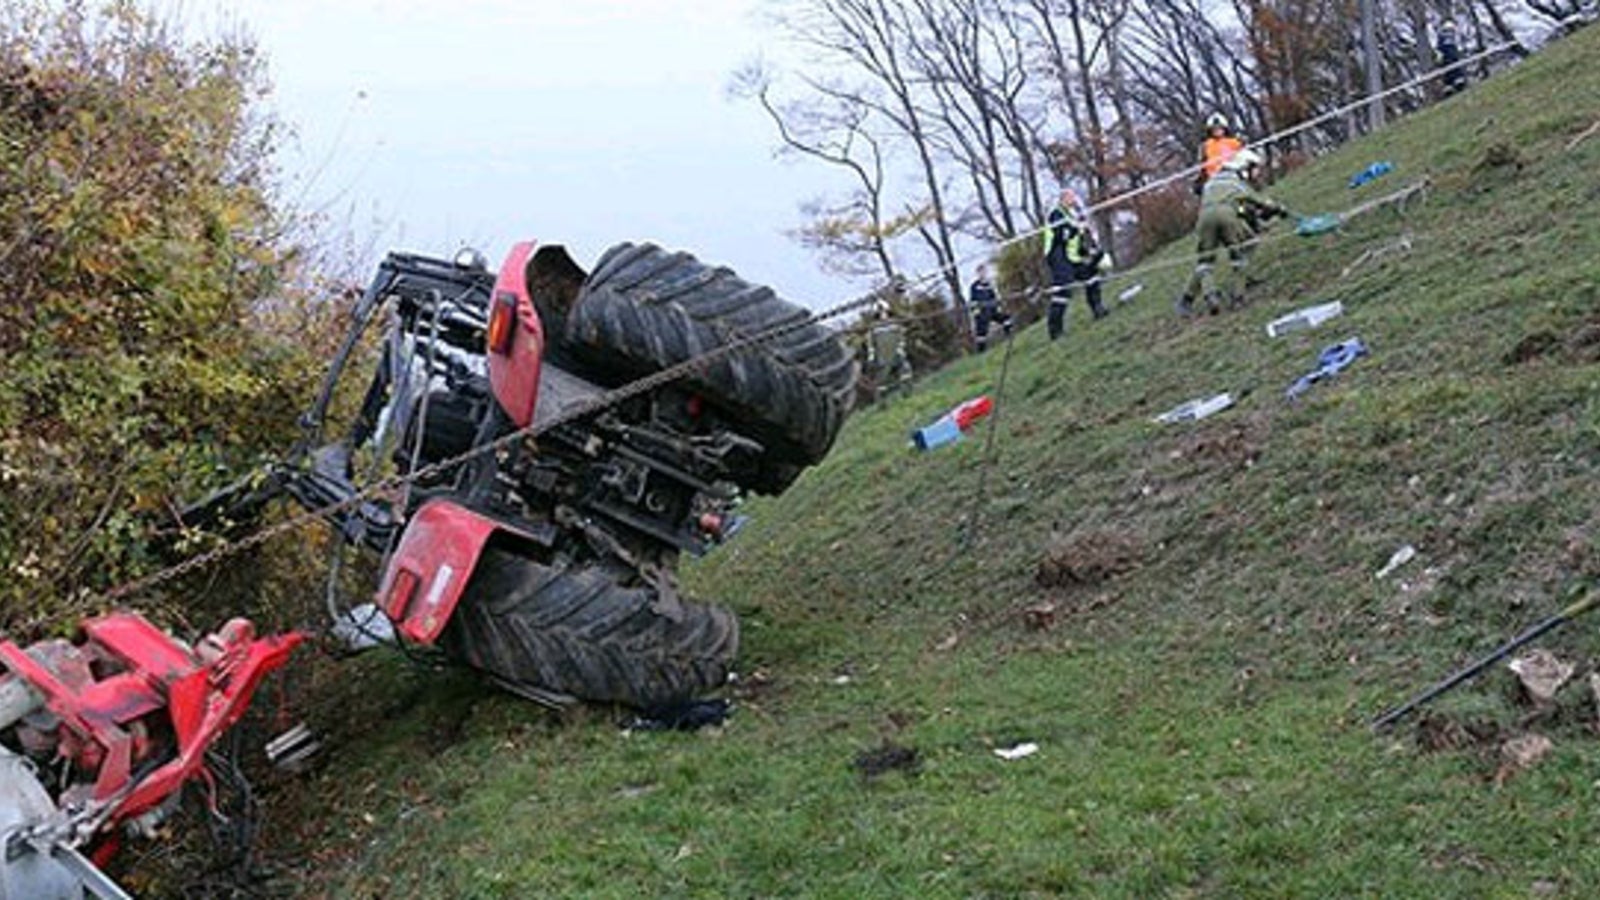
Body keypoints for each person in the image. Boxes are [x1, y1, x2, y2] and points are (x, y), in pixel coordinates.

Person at [1175, 148, 1288, 316]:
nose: (1256, 174)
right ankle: (1238, 296)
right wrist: (1278, 209)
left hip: (1204, 218)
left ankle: (1203, 296)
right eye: (1254, 169)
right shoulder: (1237, 183)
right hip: (1228, 217)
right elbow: (1259, 202)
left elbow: (1234, 205)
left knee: (1205, 261)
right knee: (1242, 252)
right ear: (1244, 167)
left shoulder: (1212, 182)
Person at [1042, 188, 1109, 340]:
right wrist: (1078, 227)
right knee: (1063, 289)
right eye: (1071, 197)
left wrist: (1087, 253)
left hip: (1072, 258)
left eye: (1074, 197)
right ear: (1063, 198)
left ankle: (1097, 308)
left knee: (1091, 276)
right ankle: (1055, 331)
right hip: (1057, 257)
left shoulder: (1071, 215)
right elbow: (1062, 236)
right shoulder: (1056, 214)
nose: (1074, 200)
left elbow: (1074, 245)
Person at [863, 302, 913, 401]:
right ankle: (882, 401)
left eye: (884, 311)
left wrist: (901, 348)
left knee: (905, 372)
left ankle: (907, 392)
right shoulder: (873, 327)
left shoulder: (895, 323)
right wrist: (871, 357)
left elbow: (901, 337)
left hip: (896, 352)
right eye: (880, 312)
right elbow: (871, 343)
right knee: (882, 380)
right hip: (882, 357)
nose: (883, 314)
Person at [1195, 112, 1244, 191]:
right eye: (1214, 129)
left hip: (1233, 175)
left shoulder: (1234, 142)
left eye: (1219, 128)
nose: (1217, 131)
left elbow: (1243, 157)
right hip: (1214, 179)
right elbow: (1202, 164)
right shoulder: (1205, 145)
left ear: (1224, 129)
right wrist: (1199, 180)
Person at [968, 264, 1011, 352]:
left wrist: (997, 306)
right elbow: (973, 301)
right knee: (981, 333)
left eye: (984, 272)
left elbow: (994, 298)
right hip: (981, 313)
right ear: (978, 274)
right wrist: (977, 313)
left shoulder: (989, 285)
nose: (983, 274)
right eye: (980, 272)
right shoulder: (974, 286)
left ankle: (1009, 336)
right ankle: (981, 351)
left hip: (992, 310)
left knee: (1006, 318)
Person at [1436, 21, 1467, 96]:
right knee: (1449, 75)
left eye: (1451, 31)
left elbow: (1455, 50)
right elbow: (1440, 52)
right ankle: (1449, 87)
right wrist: (1439, 60)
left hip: (1453, 60)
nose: (1449, 33)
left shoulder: (1453, 41)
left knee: (1455, 73)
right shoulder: (1442, 41)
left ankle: (1456, 84)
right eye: (1448, 30)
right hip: (1446, 61)